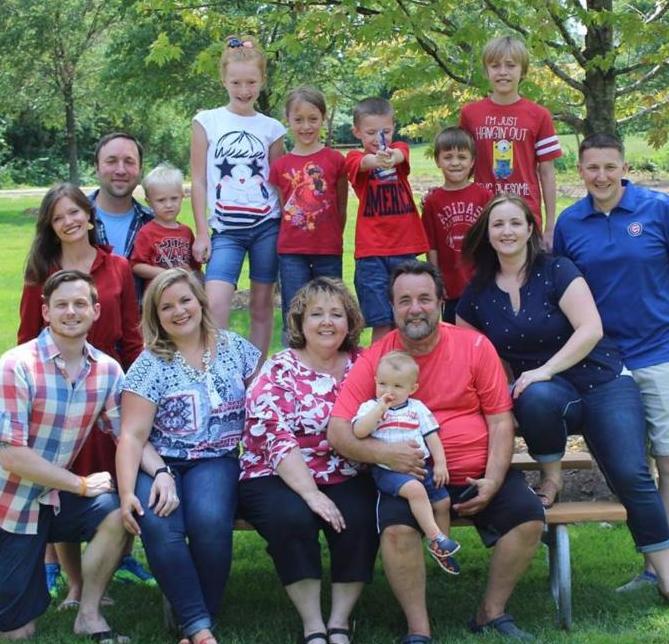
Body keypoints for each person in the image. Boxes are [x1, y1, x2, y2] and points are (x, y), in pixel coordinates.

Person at [455, 194, 669, 600]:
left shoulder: (557, 270)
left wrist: (544, 368)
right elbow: (472, 351)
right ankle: (551, 478)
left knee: (631, 473)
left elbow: (590, 328)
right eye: (498, 224)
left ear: (530, 230)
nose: (507, 231)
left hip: (604, 379)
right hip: (549, 396)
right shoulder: (477, 293)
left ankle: (665, 574)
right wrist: (501, 389)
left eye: (515, 223)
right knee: (533, 396)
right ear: (487, 233)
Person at [329, 260, 545, 642]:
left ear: (442, 302)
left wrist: (494, 480)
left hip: (475, 472)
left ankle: (491, 612)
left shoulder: (475, 347)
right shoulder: (376, 359)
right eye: (405, 300)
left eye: (425, 299)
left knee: (528, 519)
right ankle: (419, 629)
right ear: (392, 307)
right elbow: (338, 432)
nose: (415, 309)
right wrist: (385, 455)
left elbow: (500, 421)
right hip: (408, 479)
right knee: (397, 532)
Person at [17, 182, 152, 595]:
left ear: (89, 216)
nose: (68, 222)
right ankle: (74, 584)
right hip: (60, 391)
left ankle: (112, 567)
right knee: (64, 482)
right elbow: (27, 336)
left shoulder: (118, 267)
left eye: (74, 212)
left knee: (115, 478)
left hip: (109, 386)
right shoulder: (41, 272)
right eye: (58, 218)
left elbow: (132, 335)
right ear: (50, 226)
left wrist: (139, 390)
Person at [117, 268, 261, 644]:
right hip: (159, 459)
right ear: (156, 316)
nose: (179, 311)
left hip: (216, 458)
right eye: (167, 307)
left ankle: (197, 621)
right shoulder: (150, 364)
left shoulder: (235, 349)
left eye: (185, 300)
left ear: (200, 301)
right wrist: (138, 486)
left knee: (210, 521)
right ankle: (199, 627)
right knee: (158, 522)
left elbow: (266, 404)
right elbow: (132, 436)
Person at [554, 132, 669, 593]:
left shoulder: (657, 209)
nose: (601, 176)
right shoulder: (569, 223)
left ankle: (659, 569)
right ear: (580, 170)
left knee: (667, 462)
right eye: (592, 167)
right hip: (604, 365)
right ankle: (656, 564)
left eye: (609, 167)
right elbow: (562, 292)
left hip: (659, 352)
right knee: (629, 467)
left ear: (625, 168)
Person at [239, 277, 378, 644]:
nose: (327, 322)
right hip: (276, 471)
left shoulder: (364, 364)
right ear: (300, 321)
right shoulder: (279, 368)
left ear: (350, 321)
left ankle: (339, 622)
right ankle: (313, 625)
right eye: (316, 314)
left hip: (345, 468)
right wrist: (311, 494)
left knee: (360, 517)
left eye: (336, 314)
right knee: (292, 518)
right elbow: (273, 436)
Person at [0, 270, 128, 642]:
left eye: (80, 303)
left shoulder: (107, 370)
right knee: (17, 632)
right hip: (10, 505)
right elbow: (12, 456)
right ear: (46, 312)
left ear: (95, 311)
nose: (71, 312)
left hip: (53, 500)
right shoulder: (16, 365)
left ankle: (88, 614)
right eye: (62, 305)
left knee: (115, 512)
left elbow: (129, 437)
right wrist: (81, 484)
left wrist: (164, 472)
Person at [191, 35, 286, 359]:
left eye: (251, 82)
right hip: (225, 231)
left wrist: (289, 227)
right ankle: (220, 370)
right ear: (224, 80)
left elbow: (279, 182)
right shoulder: (206, 122)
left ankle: (256, 374)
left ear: (262, 80)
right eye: (236, 82)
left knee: (261, 304)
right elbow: (199, 180)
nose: (244, 90)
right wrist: (202, 232)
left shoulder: (272, 128)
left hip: (266, 227)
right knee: (215, 302)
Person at [352, 350, 460, 575]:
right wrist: (379, 409)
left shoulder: (417, 408)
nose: (388, 391)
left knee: (443, 502)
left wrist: (440, 464)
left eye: (397, 386)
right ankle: (436, 537)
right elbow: (360, 431)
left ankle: (442, 549)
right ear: (375, 381)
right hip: (388, 471)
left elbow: (432, 437)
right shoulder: (370, 408)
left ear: (412, 389)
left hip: (422, 467)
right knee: (415, 491)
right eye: (382, 384)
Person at [459, 36, 562, 246]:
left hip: (525, 213)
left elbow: (547, 172)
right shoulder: (470, 114)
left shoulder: (539, 115)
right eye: (495, 66)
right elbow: (461, 165)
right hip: (484, 213)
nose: (503, 72)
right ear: (486, 71)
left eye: (510, 65)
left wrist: (550, 226)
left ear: (522, 71)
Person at [345, 97, 429, 342]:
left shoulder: (399, 150)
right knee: (381, 322)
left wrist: (391, 157)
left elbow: (401, 154)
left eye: (386, 131)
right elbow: (362, 163)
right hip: (371, 254)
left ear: (394, 128)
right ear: (357, 132)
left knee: (407, 319)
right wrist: (377, 160)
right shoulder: (353, 158)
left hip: (404, 250)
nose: (379, 138)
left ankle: (407, 364)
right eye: (371, 132)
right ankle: (379, 365)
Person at [269, 86, 347, 338]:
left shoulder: (336, 160)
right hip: (292, 251)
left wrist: (333, 236)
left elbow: (341, 206)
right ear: (288, 120)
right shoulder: (280, 166)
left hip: (328, 249)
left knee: (331, 308)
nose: (306, 126)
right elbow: (285, 206)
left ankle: (334, 354)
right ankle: (294, 357)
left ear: (323, 118)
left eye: (313, 119)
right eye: (299, 119)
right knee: (295, 310)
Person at [421, 126, 493, 322]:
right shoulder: (433, 201)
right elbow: (431, 246)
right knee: (454, 334)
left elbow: (492, 239)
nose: (455, 163)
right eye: (448, 157)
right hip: (451, 285)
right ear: (437, 160)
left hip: (483, 282)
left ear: (472, 161)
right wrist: (436, 278)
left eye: (462, 157)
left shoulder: (484, 196)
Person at [130, 164, 201, 287]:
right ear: (149, 202)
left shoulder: (186, 232)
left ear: (182, 197)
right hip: (159, 292)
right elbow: (136, 266)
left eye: (174, 198)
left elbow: (195, 267)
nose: (168, 205)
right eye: (161, 200)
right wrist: (165, 273)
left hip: (184, 289)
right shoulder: (147, 232)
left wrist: (190, 273)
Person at [91, 132, 153, 258]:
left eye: (129, 162)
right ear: (96, 168)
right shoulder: (72, 220)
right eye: (111, 161)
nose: (121, 170)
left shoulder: (154, 222)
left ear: (140, 170)